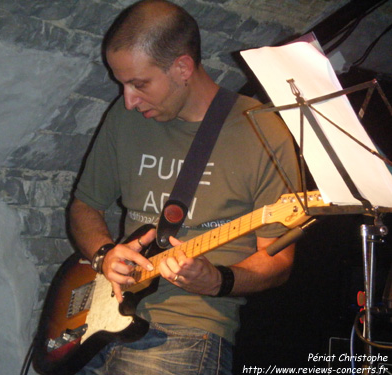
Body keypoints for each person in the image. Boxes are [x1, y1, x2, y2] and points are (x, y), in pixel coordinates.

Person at [69, 0, 300, 374]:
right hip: (99, 319)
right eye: (122, 83)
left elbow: (278, 261)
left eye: (139, 84)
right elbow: (84, 206)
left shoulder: (263, 131)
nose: (128, 100)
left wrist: (218, 280)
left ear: (182, 68)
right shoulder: (125, 120)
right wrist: (103, 254)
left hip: (189, 328)